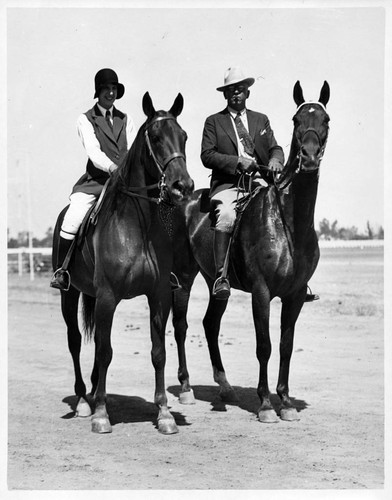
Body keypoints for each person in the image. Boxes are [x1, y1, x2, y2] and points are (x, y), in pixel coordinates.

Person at [201, 66, 319, 302]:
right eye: (232, 90)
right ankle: (221, 276)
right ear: (225, 94)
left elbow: (275, 147)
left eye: (241, 90)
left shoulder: (260, 120)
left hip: (260, 183)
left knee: (292, 212)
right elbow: (207, 155)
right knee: (225, 215)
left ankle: (298, 279)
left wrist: (276, 159)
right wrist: (237, 162)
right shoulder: (214, 121)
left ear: (248, 93)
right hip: (229, 186)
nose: (237, 94)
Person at [50, 68, 136, 291]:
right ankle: (62, 270)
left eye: (114, 89)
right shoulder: (85, 119)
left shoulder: (126, 119)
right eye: (106, 89)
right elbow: (94, 152)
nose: (110, 93)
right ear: (98, 92)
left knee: (157, 209)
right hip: (96, 182)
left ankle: (167, 269)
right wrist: (113, 168)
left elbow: (134, 150)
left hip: (125, 183)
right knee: (72, 217)